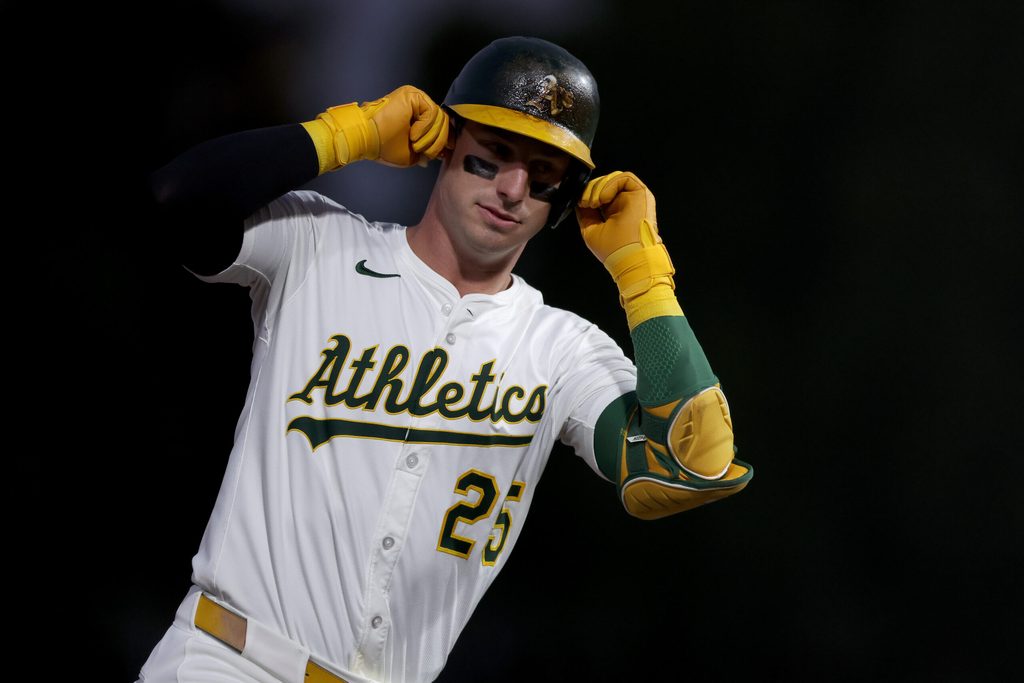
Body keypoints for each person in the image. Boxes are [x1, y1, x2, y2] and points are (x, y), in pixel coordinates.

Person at [136, 36, 752, 683]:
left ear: (561, 202)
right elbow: (175, 199)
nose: (513, 188)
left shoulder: (561, 350)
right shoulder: (318, 244)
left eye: (542, 176)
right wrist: (351, 133)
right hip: (230, 659)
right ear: (447, 144)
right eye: (496, 153)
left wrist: (644, 276)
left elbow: (690, 463)